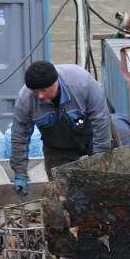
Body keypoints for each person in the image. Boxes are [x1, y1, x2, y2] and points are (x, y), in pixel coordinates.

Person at [9, 61, 117, 196]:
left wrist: (99, 159)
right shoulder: (25, 100)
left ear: (56, 82)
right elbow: (19, 137)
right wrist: (20, 172)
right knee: (63, 195)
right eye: (35, 92)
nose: (40, 96)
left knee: (109, 185)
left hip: (93, 136)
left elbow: (101, 120)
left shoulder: (82, 84)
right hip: (58, 147)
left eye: (44, 90)